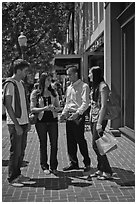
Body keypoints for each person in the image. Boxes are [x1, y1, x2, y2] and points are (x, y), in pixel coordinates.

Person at [3, 59, 33, 187]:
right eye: (25, 70)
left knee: (21, 150)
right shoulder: (10, 84)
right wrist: (16, 124)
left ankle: (17, 174)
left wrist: (27, 121)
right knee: (15, 150)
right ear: (19, 70)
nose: (26, 73)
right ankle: (12, 177)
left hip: (23, 122)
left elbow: (23, 104)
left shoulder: (20, 83)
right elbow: (8, 105)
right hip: (16, 123)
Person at [60, 65, 91, 173]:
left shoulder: (84, 86)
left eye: (70, 74)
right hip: (70, 115)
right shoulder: (69, 88)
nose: (68, 77)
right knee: (70, 140)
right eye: (67, 75)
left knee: (80, 139)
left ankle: (87, 162)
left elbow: (86, 102)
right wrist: (64, 114)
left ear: (75, 74)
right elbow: (67, 103)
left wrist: (78, 113)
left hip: (78, 115)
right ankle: (73, 163)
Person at [30, 72, 60, 175]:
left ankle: (54, 166)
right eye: (47, 80)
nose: (49, 82)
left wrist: (54, 108)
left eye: (50, 80)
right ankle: (44, 165)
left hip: (53, 120)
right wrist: (44, 108)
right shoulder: (36, 93)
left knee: (54, 143)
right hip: (41, 121)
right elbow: (32, 108)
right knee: (43, 143)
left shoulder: (53, 92)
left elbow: (58, 106)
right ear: (42, 81)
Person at [88, 66, 113, 180]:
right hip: (93, 118)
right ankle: (100, 169)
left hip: (100, 119)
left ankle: (107, 171)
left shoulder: (103, 87)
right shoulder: (96, 86)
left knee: (97, 145)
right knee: (97, 144)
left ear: (95, 74)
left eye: (90, 73)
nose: (89, 76)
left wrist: (99, 124)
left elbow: (103, 106)